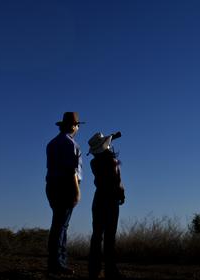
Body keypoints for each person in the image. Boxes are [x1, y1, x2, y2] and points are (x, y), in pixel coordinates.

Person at [46, 111, 84, 275]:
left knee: (57, 224)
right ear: (73, 126)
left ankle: (54, 262)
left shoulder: (52, 143)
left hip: (52, 185)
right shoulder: (71, 145)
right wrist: (76, 191)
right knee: (62, 226)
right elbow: (71, 171)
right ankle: (58, 263)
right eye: (77, 125)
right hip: (66, 186)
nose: (77, 128)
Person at [87, 131, 126, 280]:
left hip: (99, 198)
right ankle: (110, 270)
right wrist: (121, 195)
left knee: (97, 235)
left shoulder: (94, 163)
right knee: (110, 236)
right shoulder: (113, 162)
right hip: (111, 199)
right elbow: (118, 183)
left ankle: (94, 270)